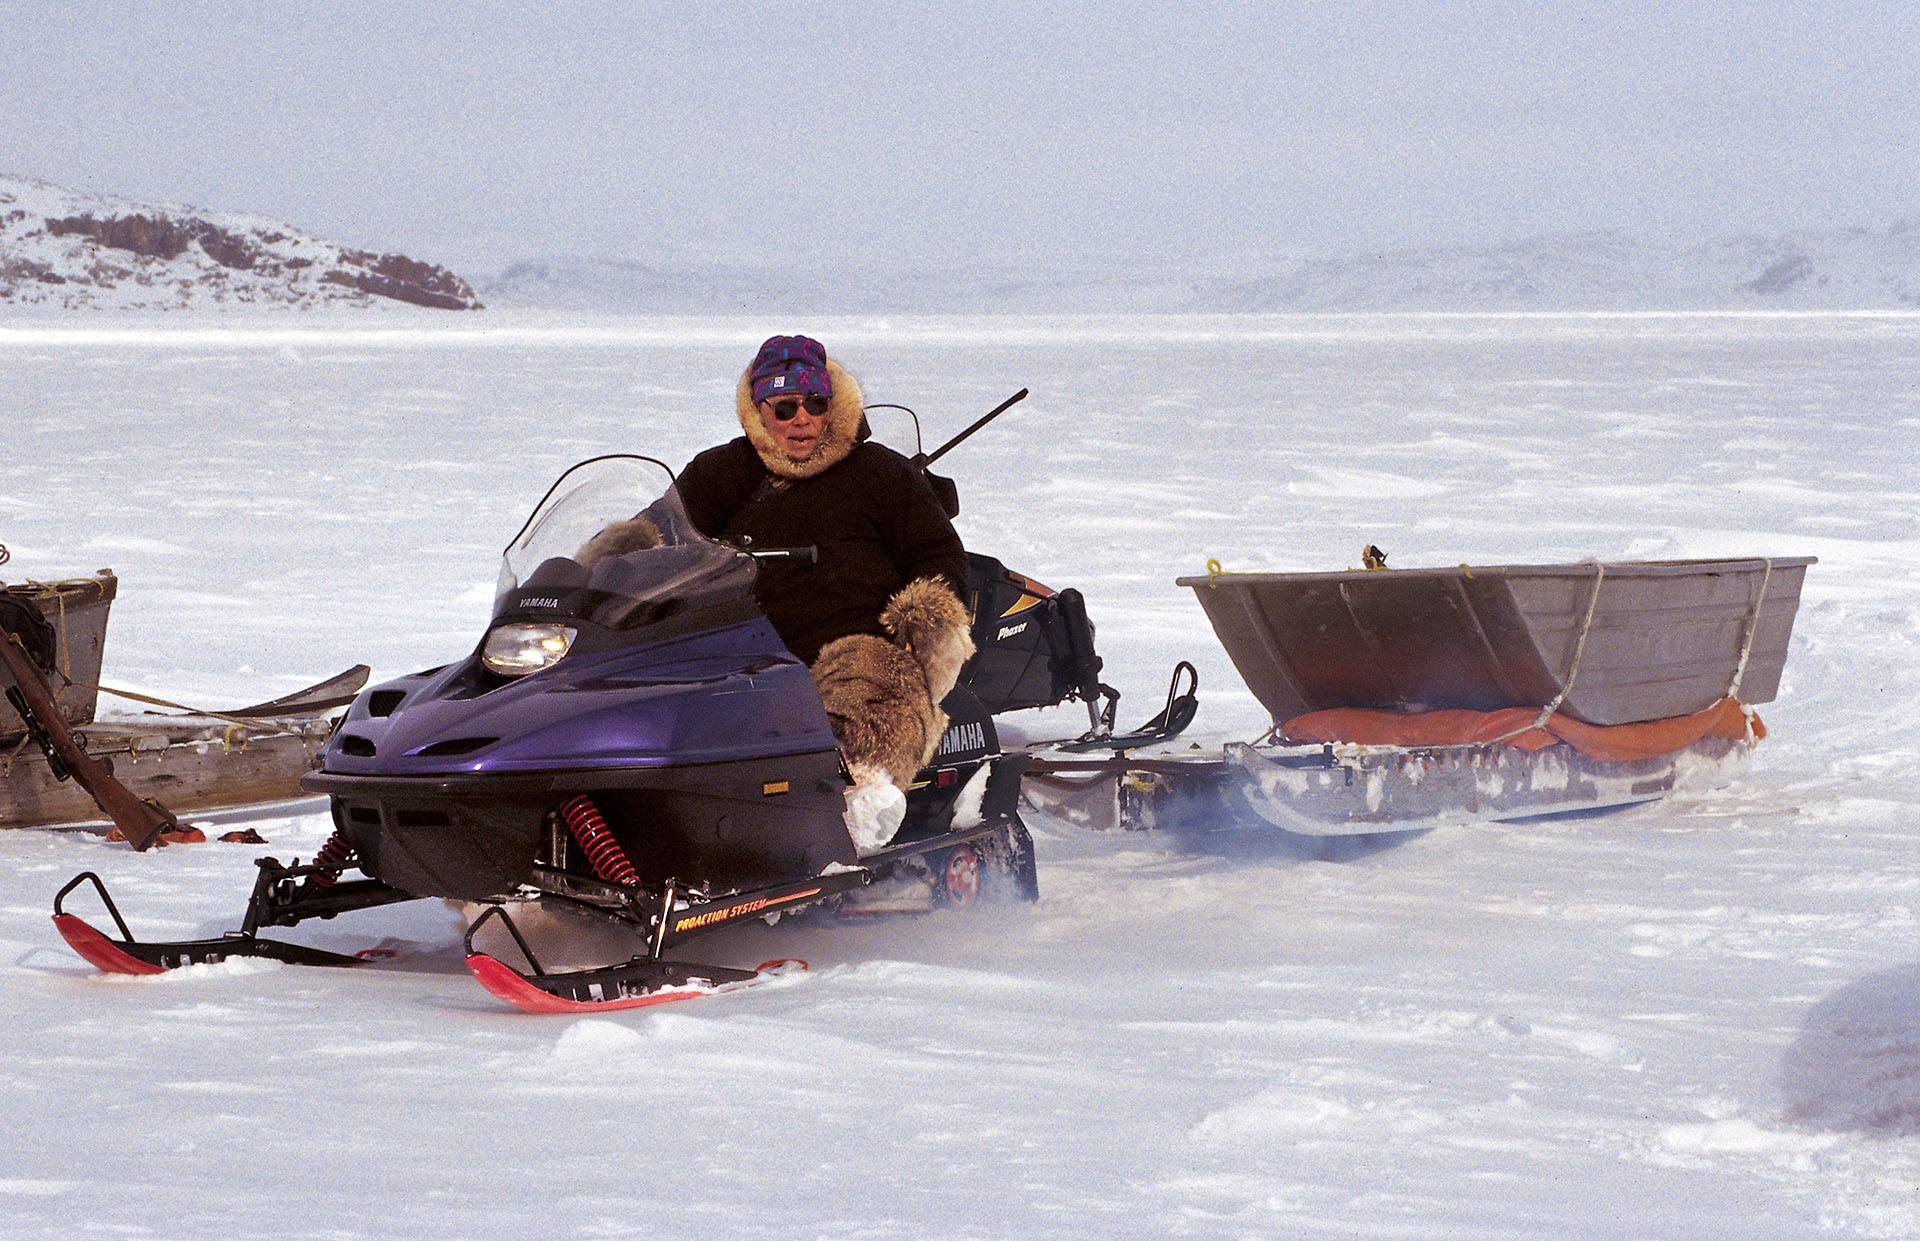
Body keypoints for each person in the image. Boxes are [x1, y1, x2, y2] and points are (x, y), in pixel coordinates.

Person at [593, 335, 973, 852]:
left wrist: (926, 627)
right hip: (738, 642)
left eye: (815, 405)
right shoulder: (721, 472)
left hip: (852, 646)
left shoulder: (880, 473)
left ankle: (857, 808)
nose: (802, 419)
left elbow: (938, 553)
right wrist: (598, 571)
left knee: (873, 683)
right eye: (786, 407)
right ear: (758, 410)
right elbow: (660, 531)